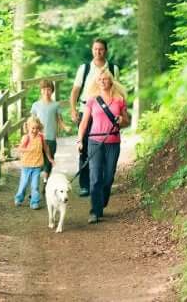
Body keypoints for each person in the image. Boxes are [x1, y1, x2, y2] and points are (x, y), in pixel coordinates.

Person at [77, 69, 129, 223]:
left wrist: (121, 120)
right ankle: (94, 210)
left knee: (108, 177)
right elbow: (84, 123)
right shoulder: (92, 100)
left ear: (111, 81)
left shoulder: (119, 99)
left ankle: (102, 201)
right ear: (96, 82)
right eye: (100, 79)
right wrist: (80, 141)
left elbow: (126, 121)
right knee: (94, 178)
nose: (103, 81)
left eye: (105, 79)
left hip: (113, 142)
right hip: (95, 142)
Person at [70, 38, 120, 197]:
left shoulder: (113, 68)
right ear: (92, 50)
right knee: (84, 147)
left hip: (108, 113)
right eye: (95, 49)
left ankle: (102, 183)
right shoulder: (84, 68)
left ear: (106, 50)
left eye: (101, 49)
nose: (98, 52)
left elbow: (117, 90)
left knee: (105, 147)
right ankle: (85, 185)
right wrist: (73, 109)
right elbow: (75, 91)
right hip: (87, 109)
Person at [31, 80, 71, 187]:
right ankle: (36, 184)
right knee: (38, 161)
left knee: (49, 161)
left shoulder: (55, 105)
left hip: (51, 138)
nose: (46, 91)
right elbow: (32, 121)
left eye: (48, 89)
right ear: (40, 91)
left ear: (52, 91)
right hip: (38, 138)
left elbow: (59, 120)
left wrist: (65, 127)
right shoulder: (35, 105)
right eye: (44, 89)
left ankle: (46, 183)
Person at [15, 116, 55, 210]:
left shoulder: (41, 137)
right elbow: (20, 149)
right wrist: (28, 149)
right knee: (24, 184)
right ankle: (19, 198)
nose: (35, 130)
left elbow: (46, 148)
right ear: (28, 127)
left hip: (37, 165)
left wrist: (50, 158)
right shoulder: (26, 138)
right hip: (26, 165)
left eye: (37, 128)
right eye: (33, 128)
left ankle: (34, 202)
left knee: (35, 185)